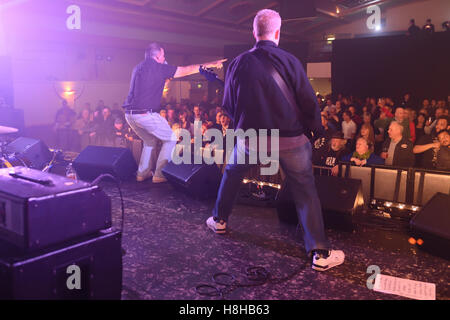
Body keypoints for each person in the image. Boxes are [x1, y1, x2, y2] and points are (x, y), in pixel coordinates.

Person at [206, 9, 345, 272]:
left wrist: (244, 127)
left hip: (250, 139)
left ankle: (220, 220)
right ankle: (319, 253)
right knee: (305, 192)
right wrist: (315, 130)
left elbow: (228, 104)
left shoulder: (237, 63)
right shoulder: (291, 61)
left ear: (254, 32)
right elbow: (308, 102)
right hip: (291, 140)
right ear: (278, 32)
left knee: (232, 174)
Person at [123, 42, 225, 183]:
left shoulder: (138, 67)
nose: (165, 58)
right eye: (163, 55)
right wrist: (211, 64)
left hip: (129, 115)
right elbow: (187, 70)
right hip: (144, 114)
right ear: (158, 56)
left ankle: (142, 173)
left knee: (149, 141)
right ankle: (159, 174)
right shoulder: (158, 67)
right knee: (170, 139)